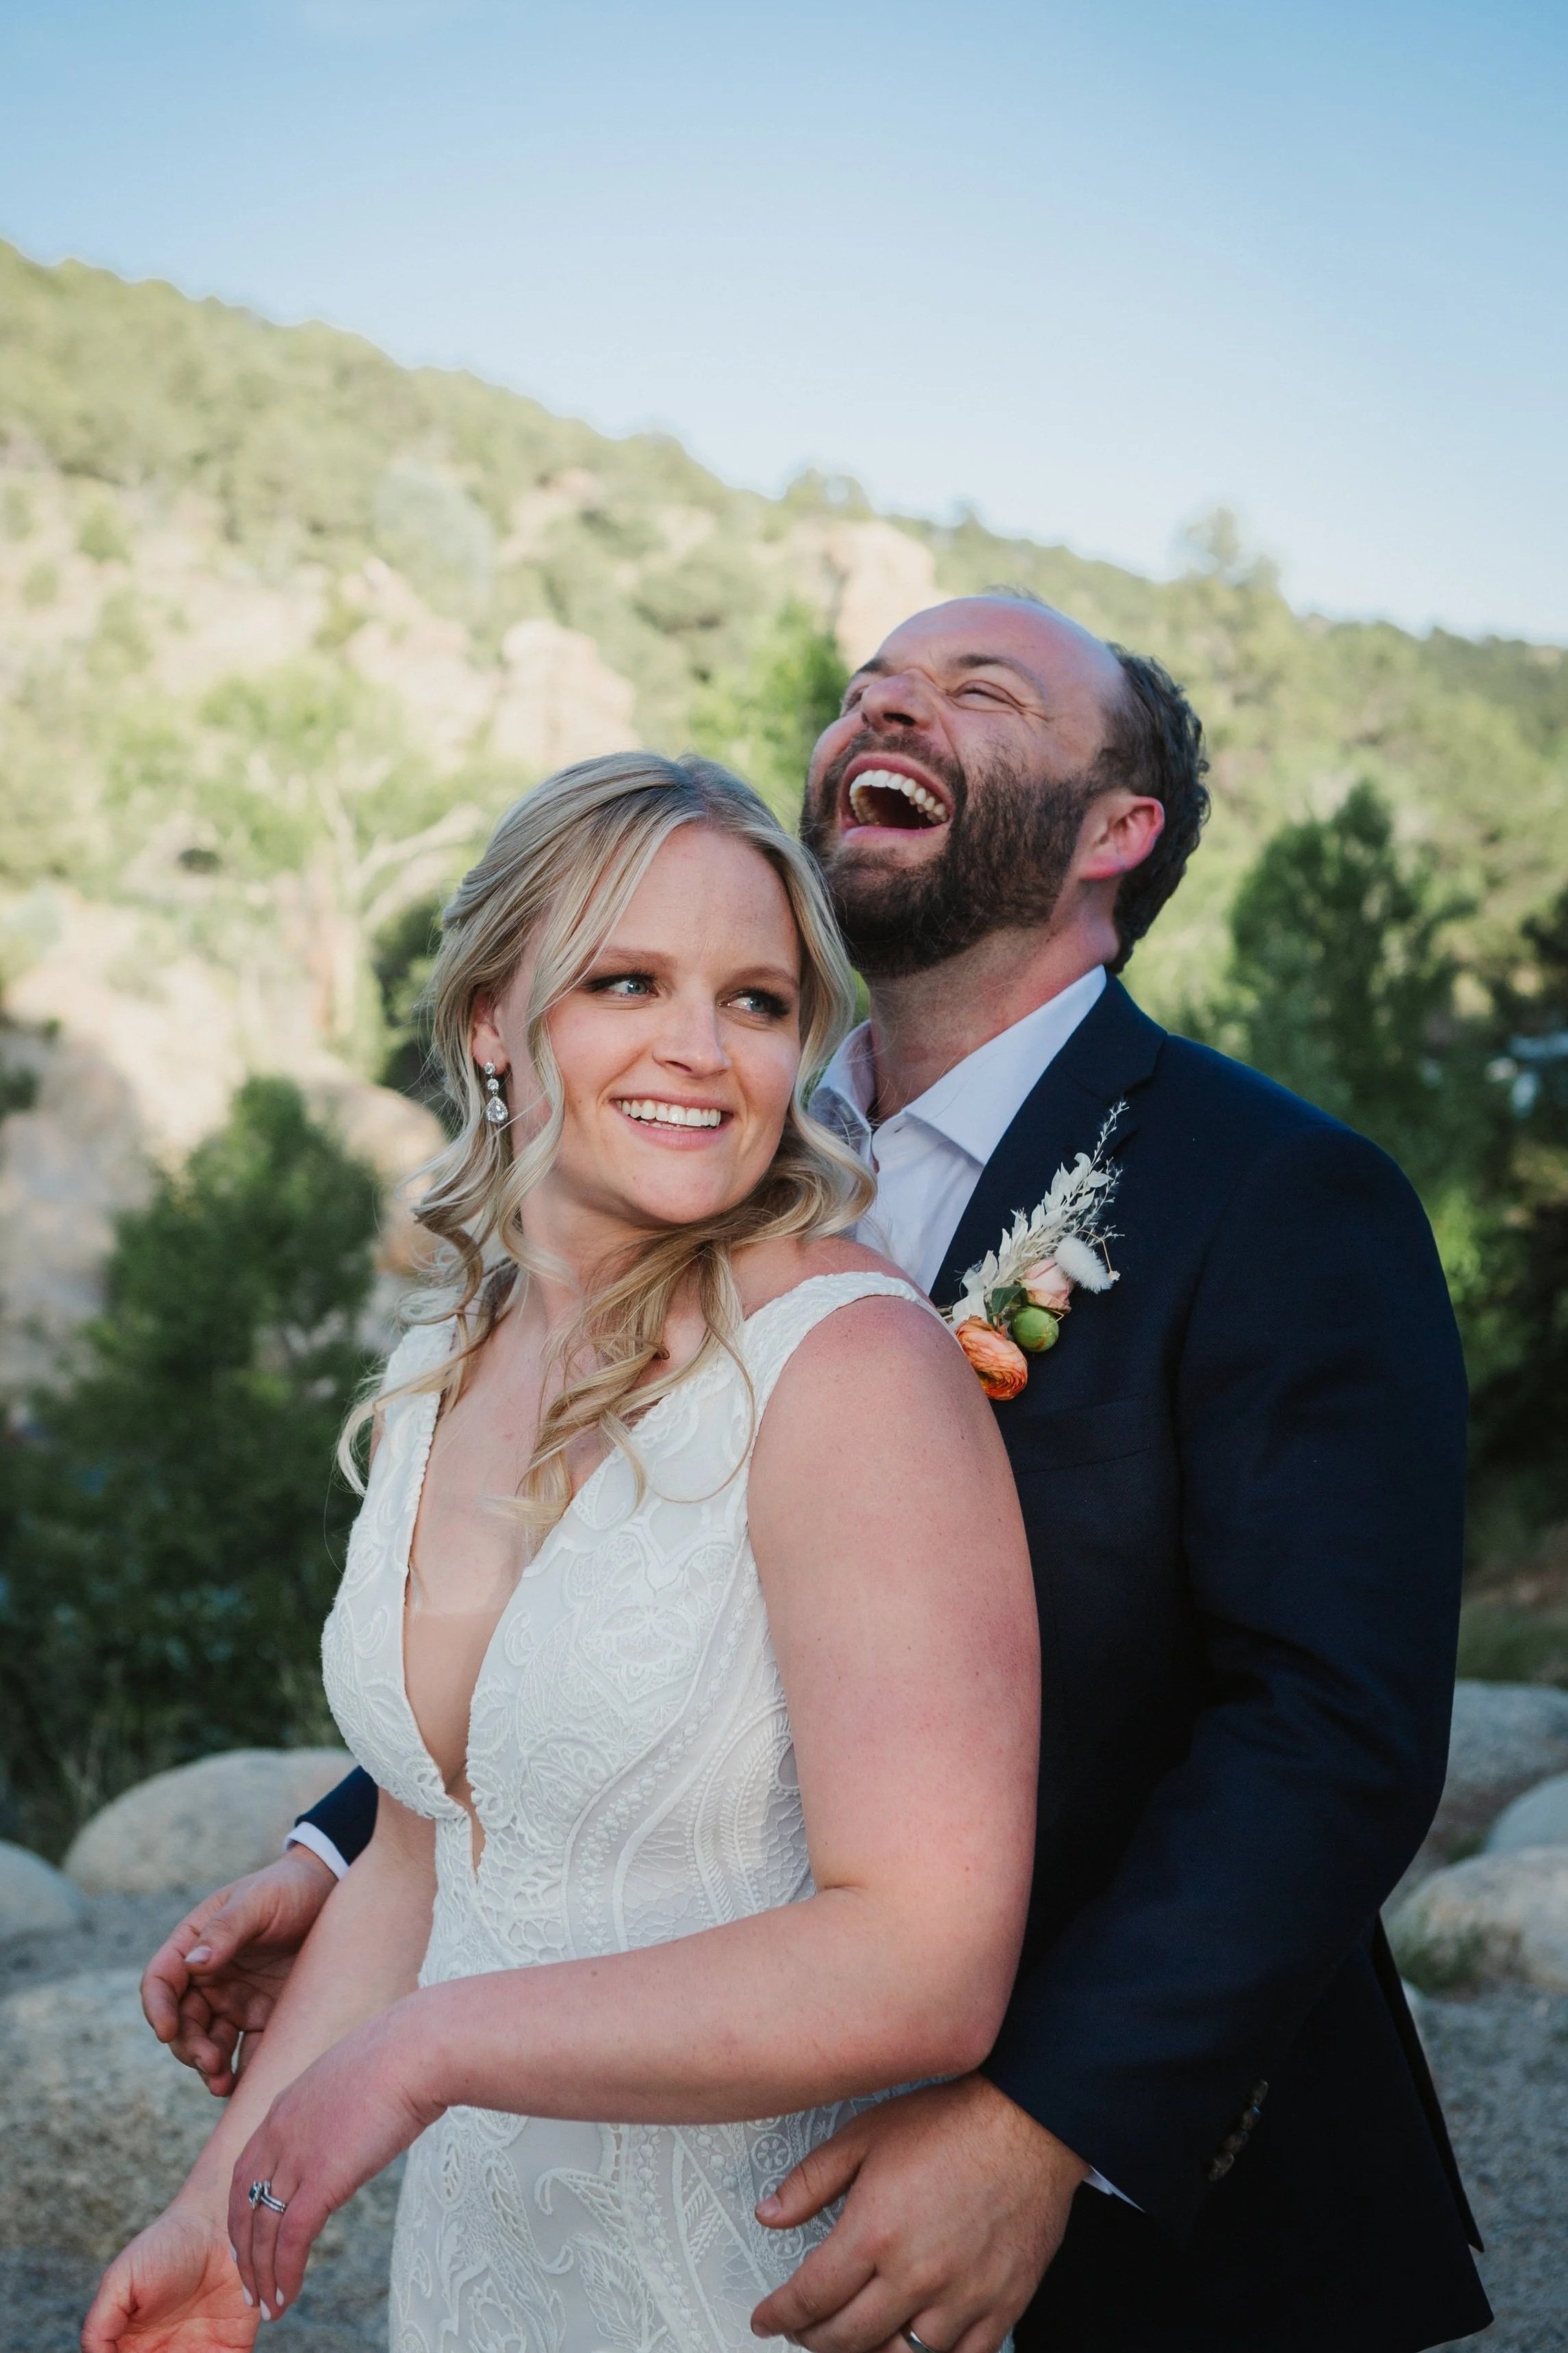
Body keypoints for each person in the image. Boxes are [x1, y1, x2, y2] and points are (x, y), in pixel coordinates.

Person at [129, 592, 1491, 2353]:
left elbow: (1331, 1728)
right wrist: (351, 1838)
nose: (887, 714)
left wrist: (1046, 2125)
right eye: (869, 692)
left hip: (1127, 2190)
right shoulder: (686, 1155)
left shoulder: (1271, 1196)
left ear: (1116, 828)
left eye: (975, 693)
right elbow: (614, 1595)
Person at [83, 752, 1039, 2353]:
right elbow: (418, 1855)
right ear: (489, 1022)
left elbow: (922, 1959)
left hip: (753, 2290)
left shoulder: (850, 1373)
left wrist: (425, 2050)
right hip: (481, 2282)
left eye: (754, 999)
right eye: (625, 981)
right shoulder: (436, 1369)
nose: (700, 1047)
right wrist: (214, 2212)